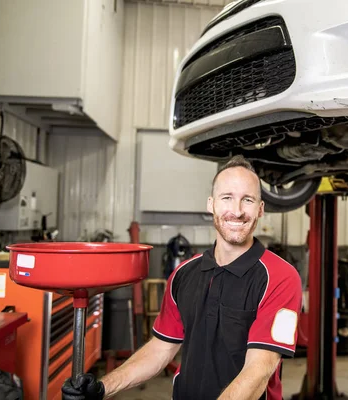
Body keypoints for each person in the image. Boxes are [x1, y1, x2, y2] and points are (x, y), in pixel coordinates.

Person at [62, 155, 303, 400]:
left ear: (260, 209)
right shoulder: (183, 275)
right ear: (211, 204)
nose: (237, 211)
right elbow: (160, 349)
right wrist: (102, 388)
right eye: (227, 198)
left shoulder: (282, 278)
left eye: (248, 200)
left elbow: (259, 369)